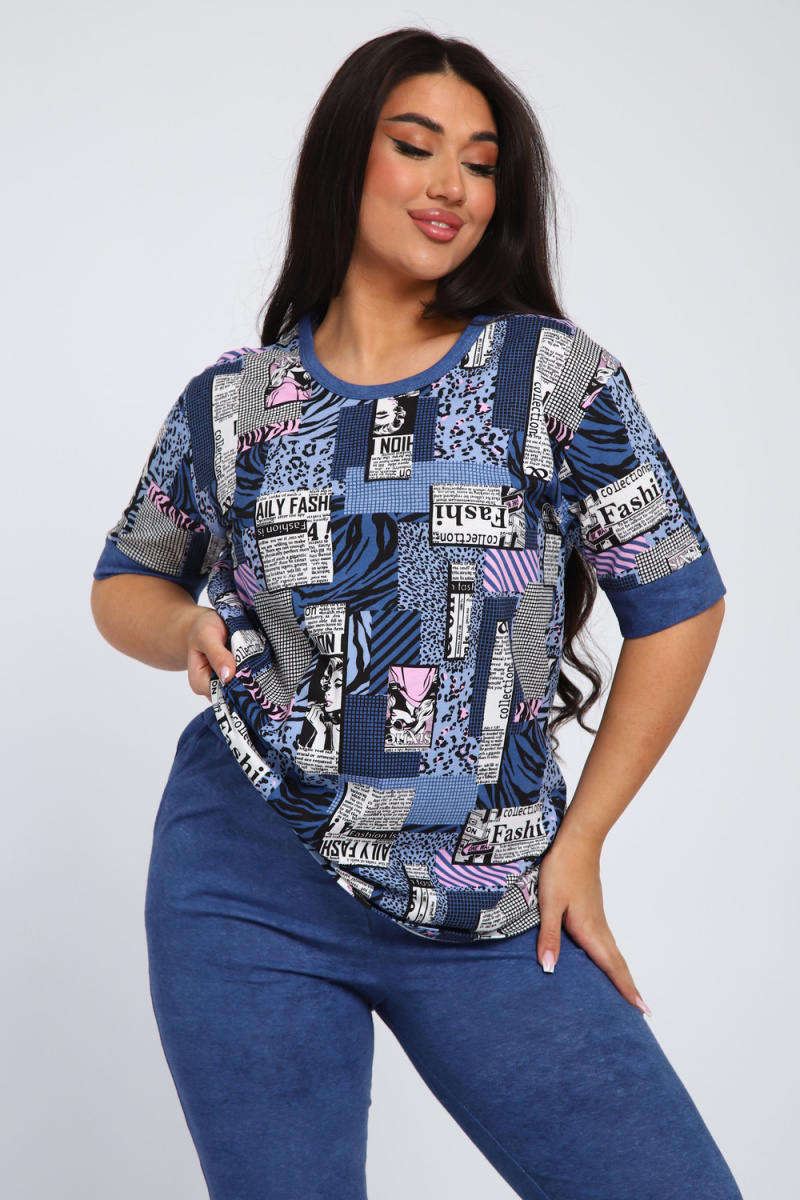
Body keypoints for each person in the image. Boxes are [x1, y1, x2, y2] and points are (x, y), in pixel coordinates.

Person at [90, 27, 743, 1200]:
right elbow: (125, 581)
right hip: (242, 880)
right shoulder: (234, 405)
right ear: (347, 157)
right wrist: (181, 628)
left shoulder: (547, 378)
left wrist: (581, 843)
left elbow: (679, 604)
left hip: (489, 891)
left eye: (480, 163)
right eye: (416, 146)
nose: (451, 185)